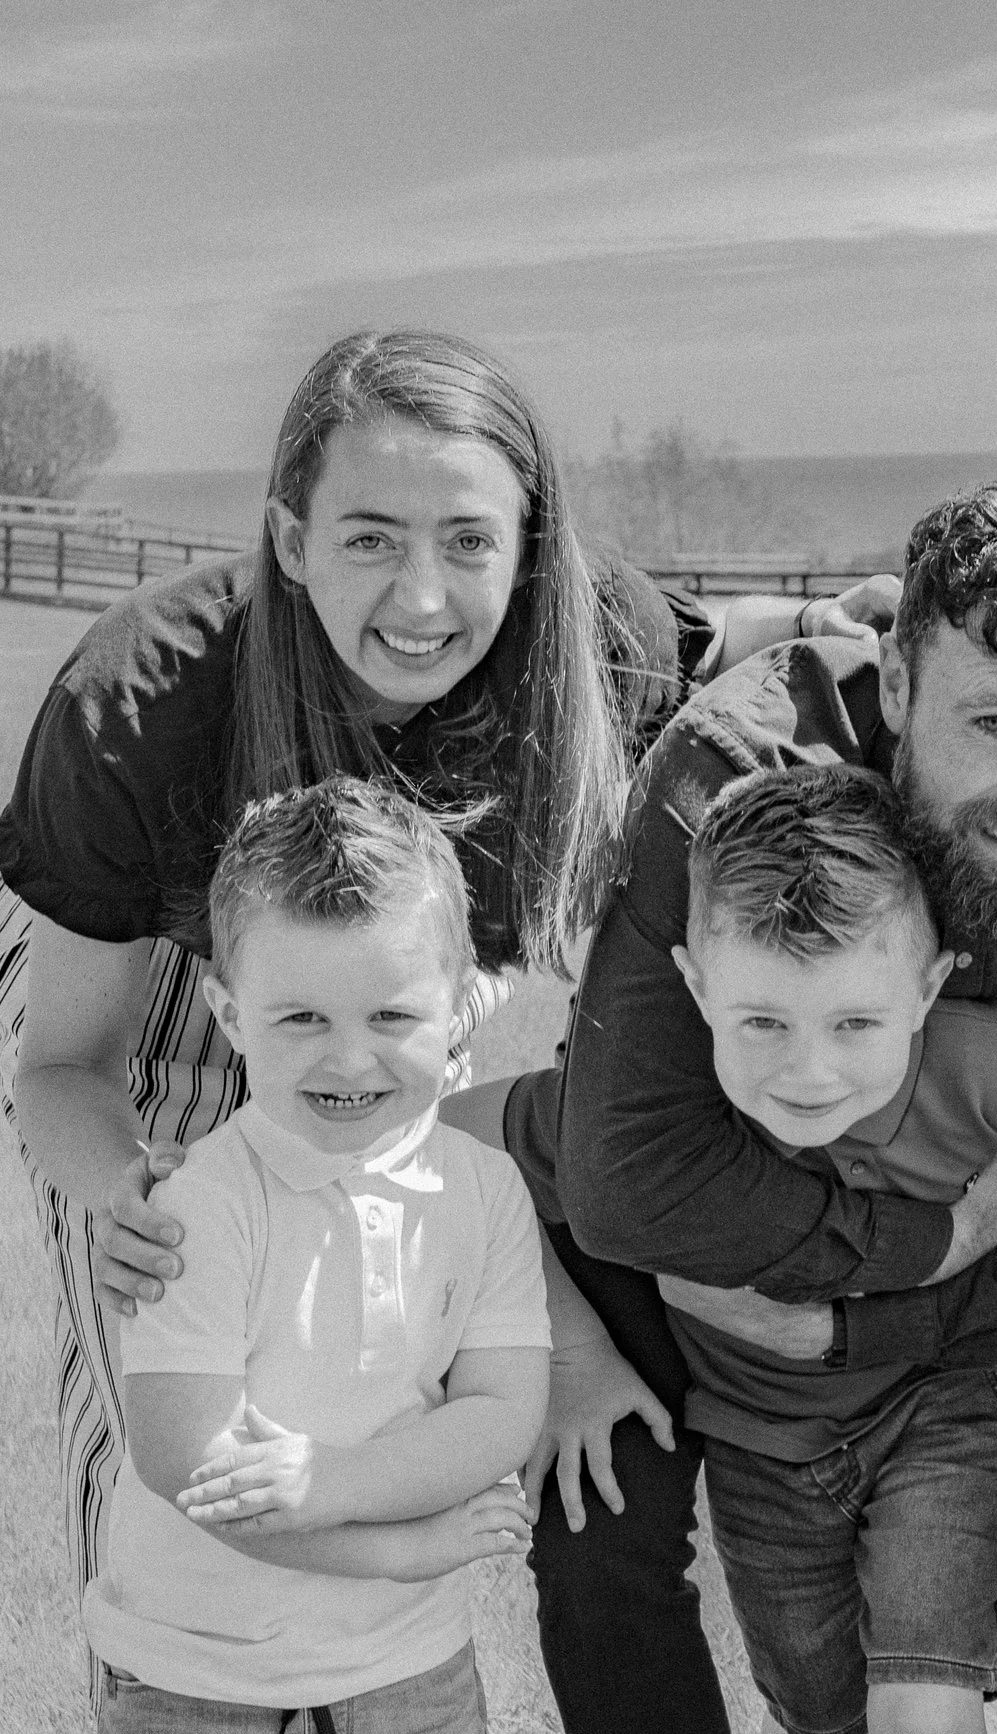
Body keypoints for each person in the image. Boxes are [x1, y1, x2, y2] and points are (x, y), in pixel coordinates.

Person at [0, 326, 813, 1643]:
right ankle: (175, 1702)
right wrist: (128, 1192)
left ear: (529, 544)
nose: (424, 598)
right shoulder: (139, 704)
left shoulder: (588, 636)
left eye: (469, 541)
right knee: (189, 1430)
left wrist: (859, 621)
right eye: (370, 537)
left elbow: (743, 646)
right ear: (289, 537)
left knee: (373, 1385)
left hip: (400, 991)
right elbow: (56, 1068)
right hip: (162, 999)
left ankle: (394, 1713)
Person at [502, 475, 997, 1734]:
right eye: (996, 723)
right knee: (598, 1512)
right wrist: (920, 1251)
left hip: (974, 1187)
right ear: (899, 680)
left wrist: (867, 1324)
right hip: (726, 1193)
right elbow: (629, 1179)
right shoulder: (732, 780)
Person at [89, 778, 548, 1734]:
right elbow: (187, 1462)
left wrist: (327, 1483)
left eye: (392, 1015)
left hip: (413, 1677)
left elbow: (500, 1413)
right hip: (200, 1689)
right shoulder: (201, 1204)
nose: (349, 1058)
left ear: (460, 1002)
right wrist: (397, 1547)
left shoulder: (483, 1192)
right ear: (227, 1014)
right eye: (300, 1018)